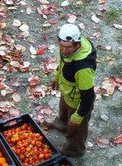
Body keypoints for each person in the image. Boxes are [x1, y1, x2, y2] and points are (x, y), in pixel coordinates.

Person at [42, 23, 97, 157]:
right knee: (63, 109)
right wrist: (56, 76)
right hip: (68, 91)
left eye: (68, 47)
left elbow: (88, 97)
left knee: (76, 129)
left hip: (78, 102)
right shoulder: (67, 49)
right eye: (61, 46)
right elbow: (62, 63)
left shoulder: (83, 69)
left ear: (77, 45)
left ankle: (74, 149)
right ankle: (62, 123)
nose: (64, 51)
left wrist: (78, 116)